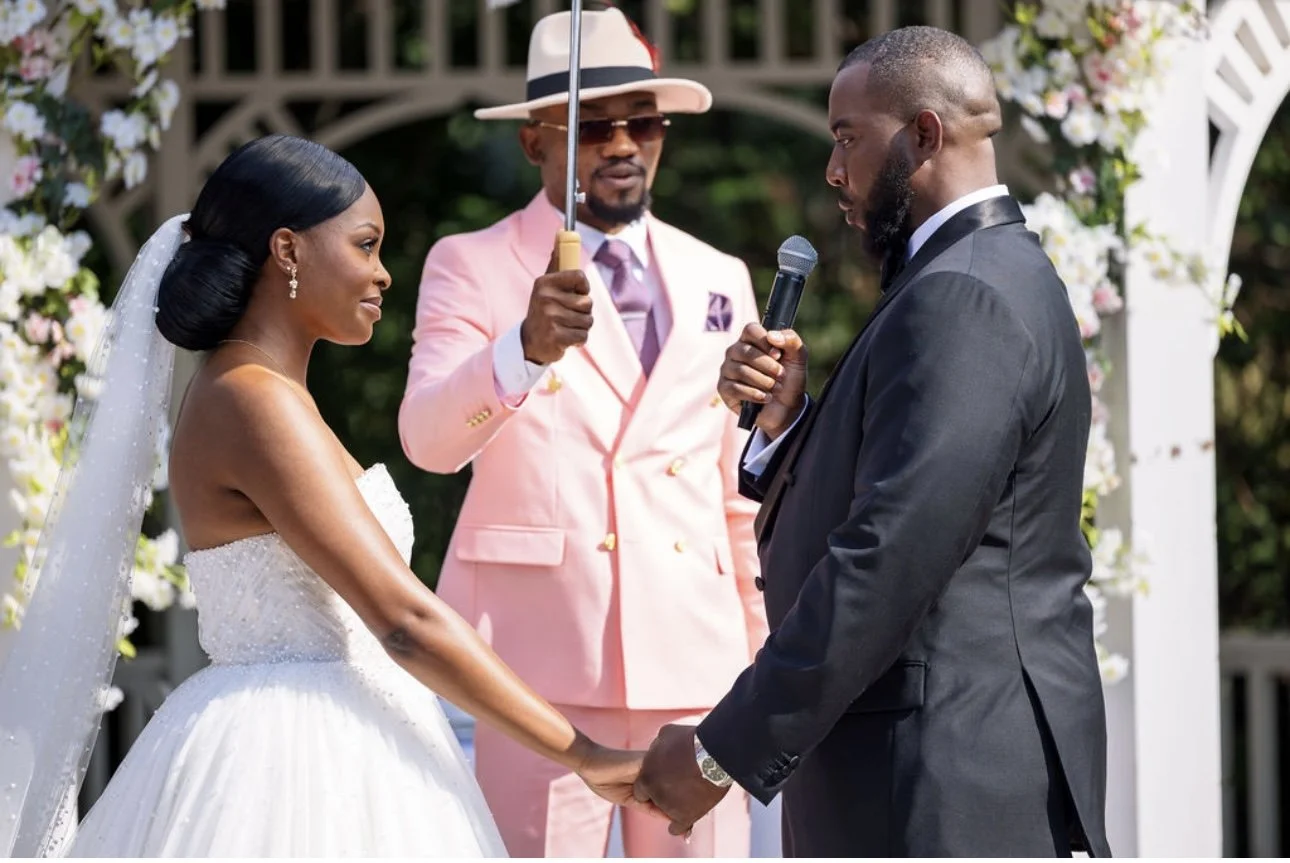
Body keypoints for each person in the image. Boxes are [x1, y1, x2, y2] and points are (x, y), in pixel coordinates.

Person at [0, 134, 658, 858]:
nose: (381, 275)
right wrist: (584, 753)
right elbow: (403, 618)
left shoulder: (268, 395)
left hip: (350, 741)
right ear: (288, 250)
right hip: (286, 767)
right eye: (365, 245)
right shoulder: (252, 402)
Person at [633, 25, 1114, 858]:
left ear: (923, 134)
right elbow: (918, 499)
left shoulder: (965, 295)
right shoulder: (972, 275)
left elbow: (889, 555)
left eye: (847, 138)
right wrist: (791, 425)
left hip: (939, 780)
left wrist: (722, 753)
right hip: (926, 768)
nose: (833, 169)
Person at [397, 7, 767, 858]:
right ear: (535, 142)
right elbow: (426, 439)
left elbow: (738, 492)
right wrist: (519, 352)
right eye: (594, 126)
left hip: (699, 671)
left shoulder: (722, 278)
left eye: (643, 122)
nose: (623, 143)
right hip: (536, 677)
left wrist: (761, 667)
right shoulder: (473, 264)